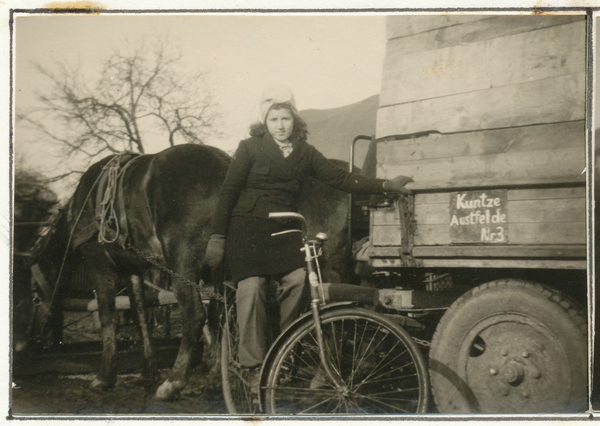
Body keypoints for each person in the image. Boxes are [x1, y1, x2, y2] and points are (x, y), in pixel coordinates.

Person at [204, 84, 413, 392]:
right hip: (247, 230)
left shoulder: (305, 153)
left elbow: (342, 178)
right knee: (253, 287)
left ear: (294, 120)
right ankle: (252, 364)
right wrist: (218, 237)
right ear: (265, 122)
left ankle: (285, 348)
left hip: (285, 229)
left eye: (285, 119)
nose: (280, 125)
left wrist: (386, 185)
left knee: (299, 281)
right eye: (273, 119)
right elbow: (228, 193)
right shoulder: (248, 148)